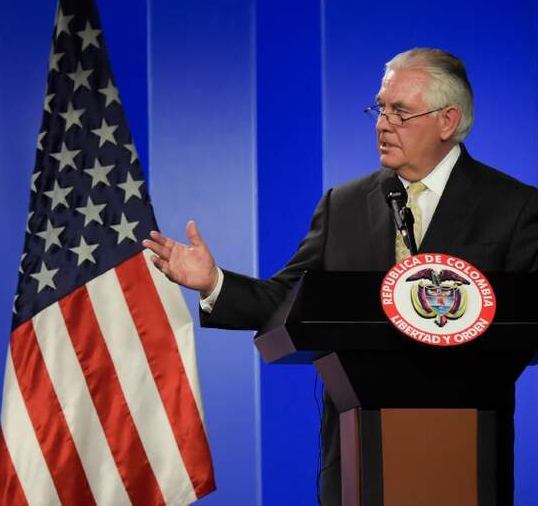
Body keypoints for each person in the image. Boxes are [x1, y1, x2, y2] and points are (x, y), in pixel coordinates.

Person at [143, 47, 538, 505]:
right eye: (380, 108)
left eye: (400, 111)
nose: (382, 123)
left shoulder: (514, 208)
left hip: (464, 458)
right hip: (358, 459)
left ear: (448, 121)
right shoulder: (345, 205)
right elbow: (289, 297)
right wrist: (214, 282)